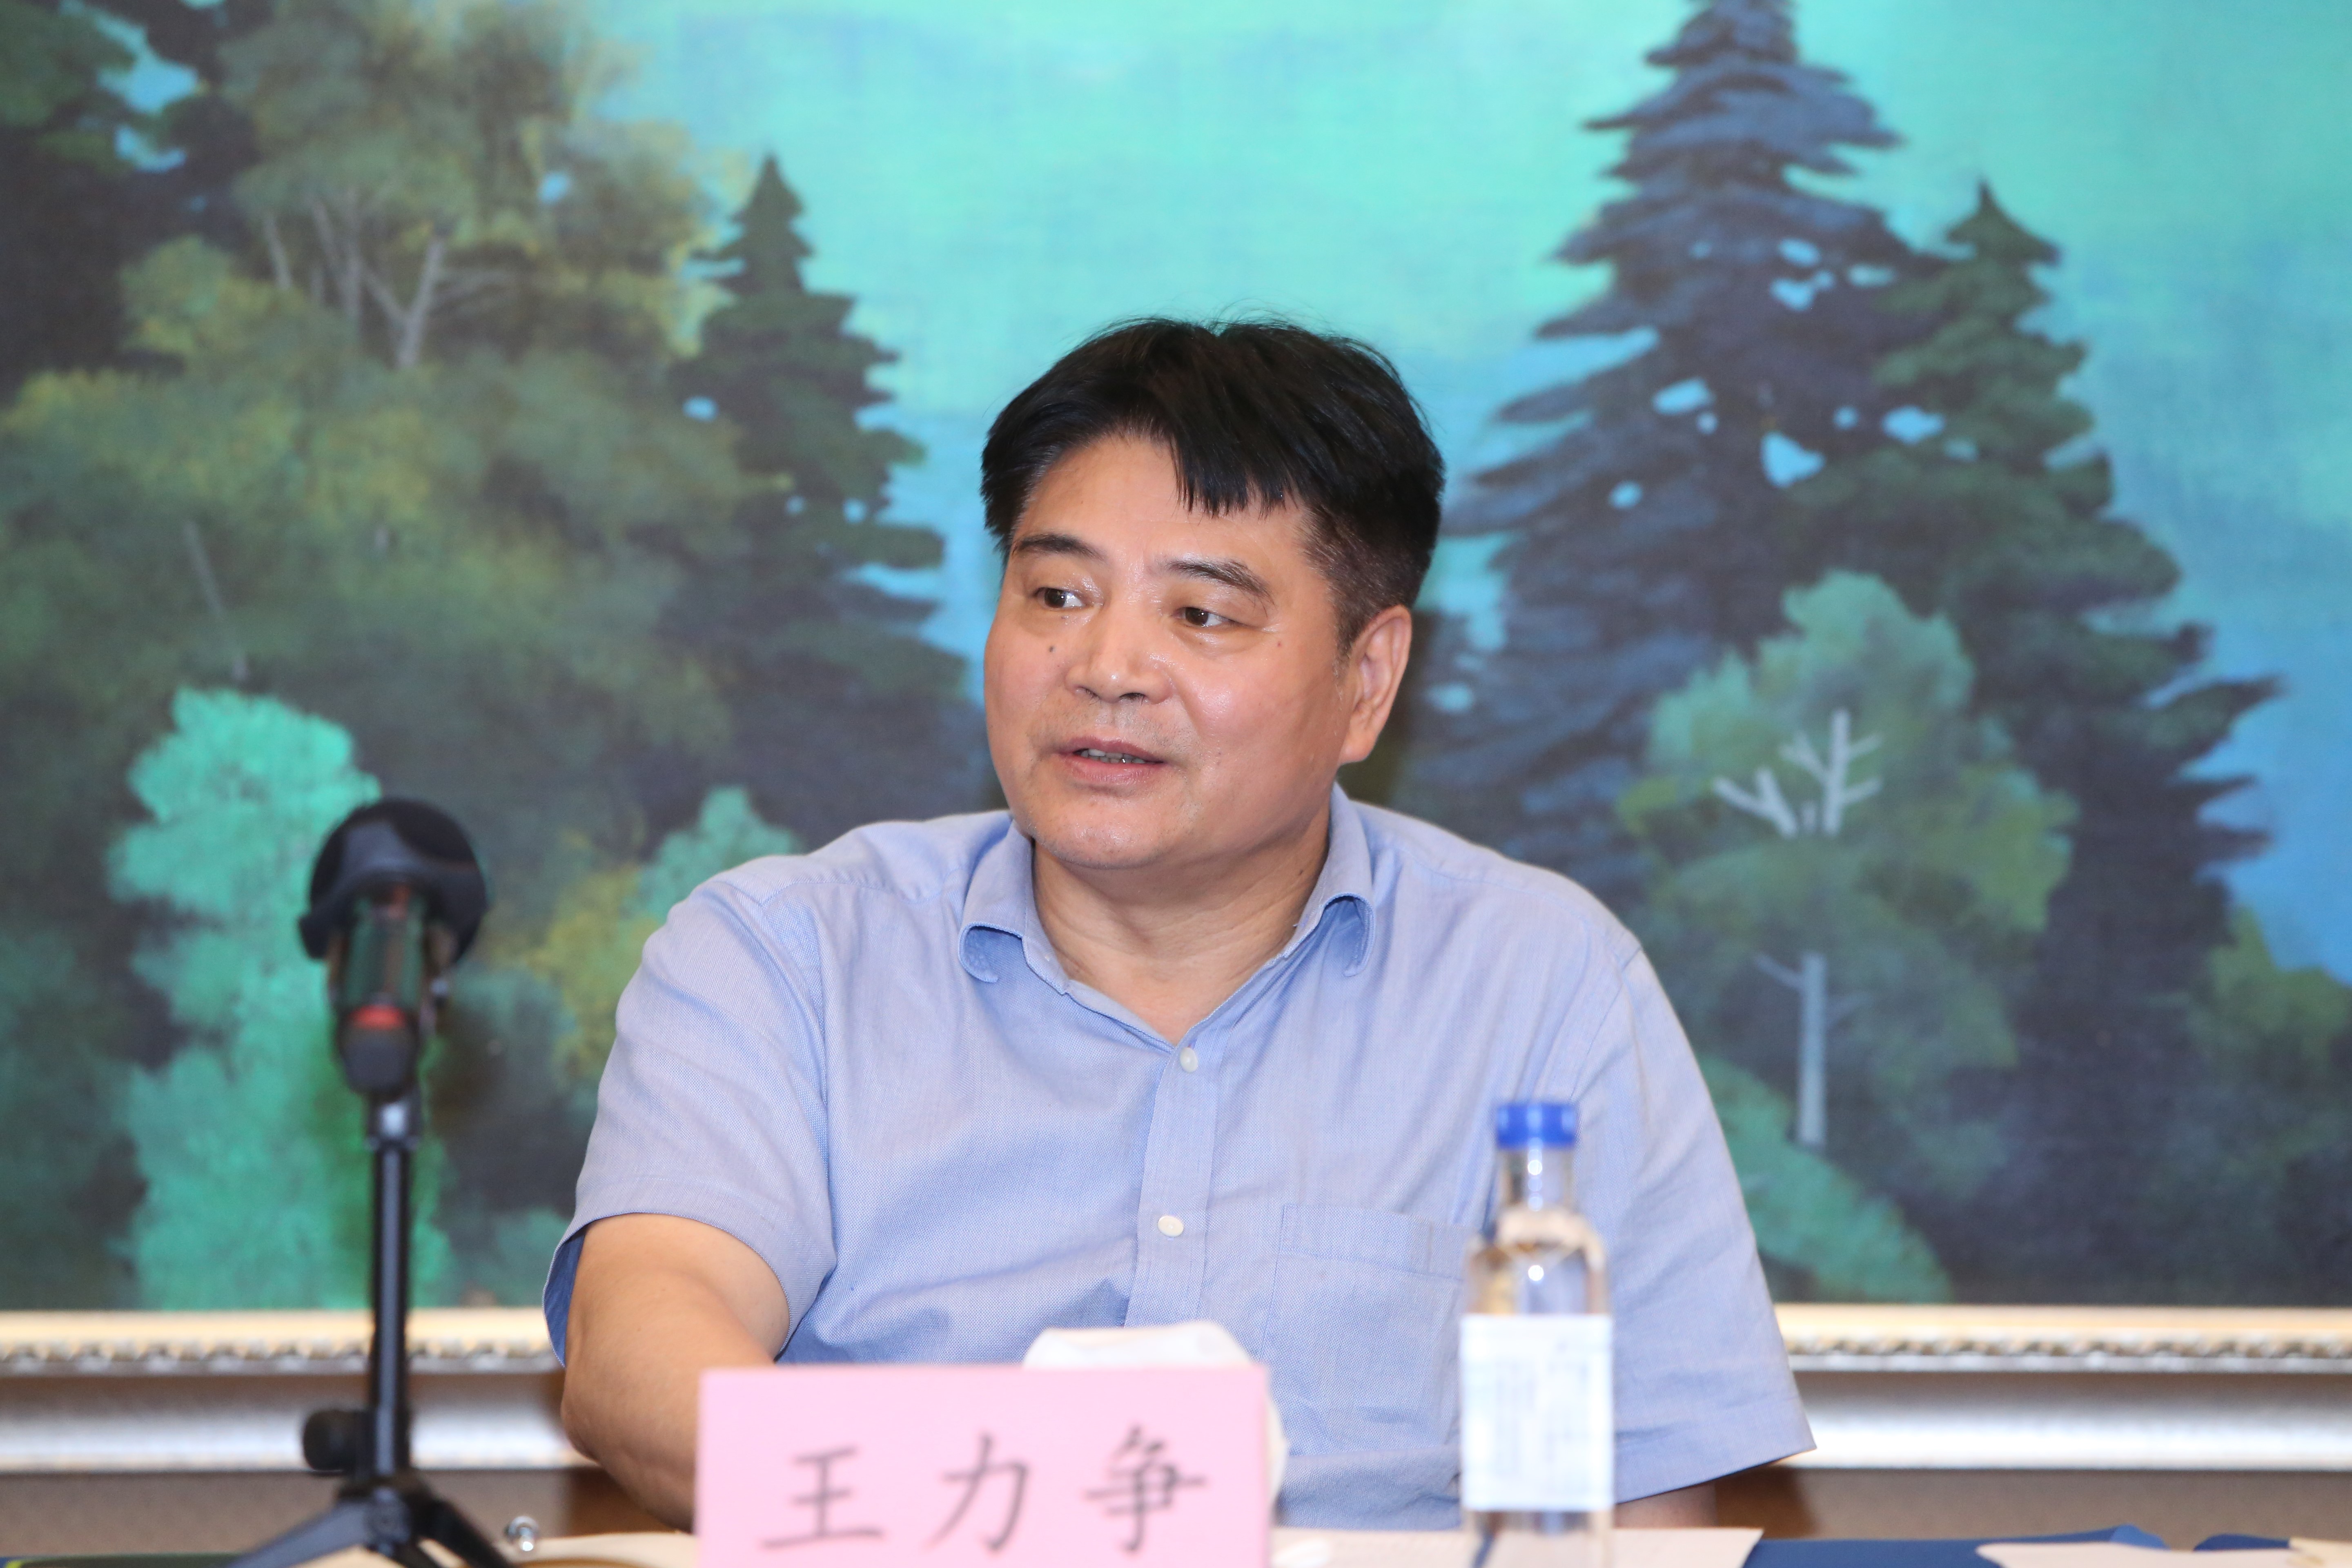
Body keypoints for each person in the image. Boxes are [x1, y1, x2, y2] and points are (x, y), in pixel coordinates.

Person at [548, 318, 1811, 1530]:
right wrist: (1034, 1511)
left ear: (1365, 681)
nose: (1106, 666)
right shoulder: (788, 956)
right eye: (1056, 594)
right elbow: (641, 1347)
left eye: (1200, 615)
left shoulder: (1544, 987)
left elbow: (1643, 1514)